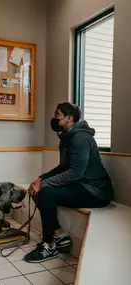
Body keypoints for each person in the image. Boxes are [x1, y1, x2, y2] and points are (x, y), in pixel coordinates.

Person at [24, 102, 114, 263]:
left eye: (57, 114)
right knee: (39, 188)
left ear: (69, 118)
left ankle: (49, 245)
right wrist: (40, 178)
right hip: (81, 184)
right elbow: (63, 167)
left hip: (96, 191)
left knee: (45, 193)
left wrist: (44, 184)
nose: (54, 117)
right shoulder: (66, 138)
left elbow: (75, 173)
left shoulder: (81, 138)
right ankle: (59, 235)